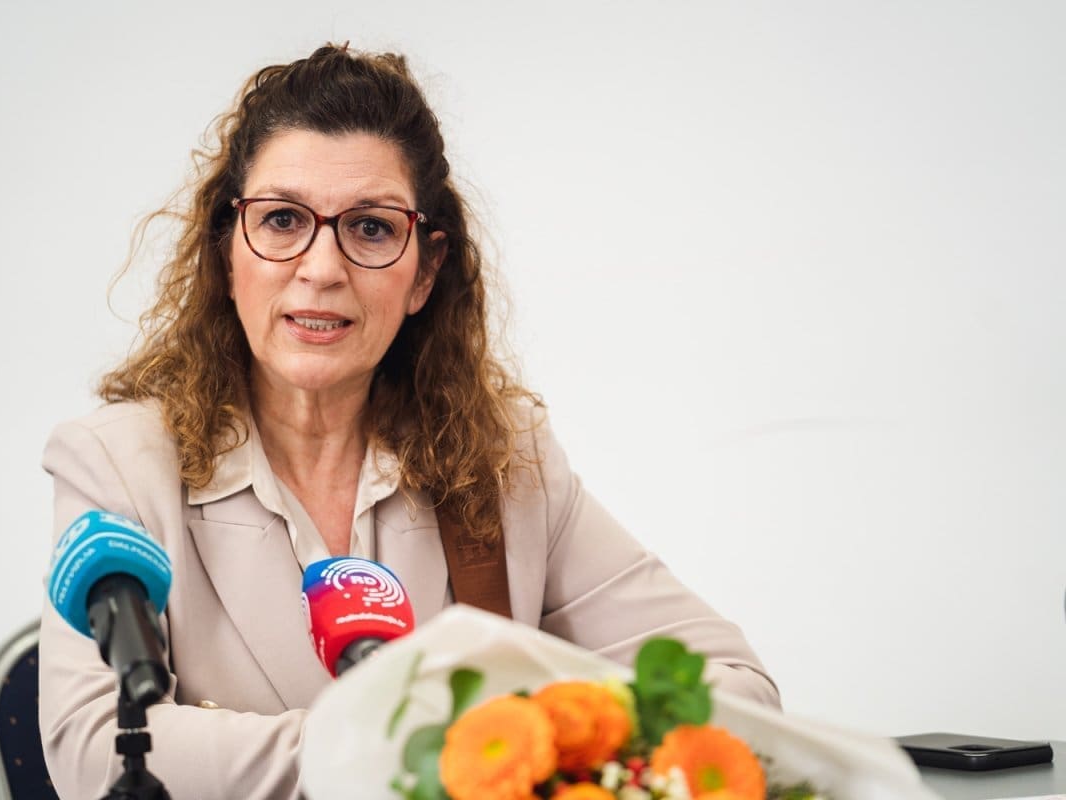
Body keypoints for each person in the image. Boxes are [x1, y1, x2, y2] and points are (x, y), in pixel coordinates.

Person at [38, 44, 780, 800]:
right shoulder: (119, 465)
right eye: (283, 220)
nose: (321, 268)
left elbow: (734, 689)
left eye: (370, 228)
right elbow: (98, 753)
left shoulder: (502, 460)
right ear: (228, 253)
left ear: (424, 272)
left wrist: (545, 738)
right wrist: (422, 748)